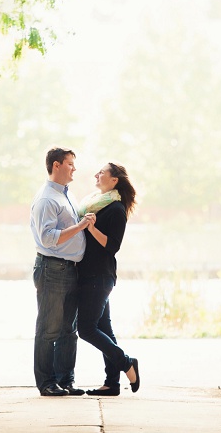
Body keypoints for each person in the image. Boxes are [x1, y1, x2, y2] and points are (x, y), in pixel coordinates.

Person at [29, 147, 95, 397]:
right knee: (49, 329)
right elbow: (47, 238)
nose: (74, 168)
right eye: (70, 164)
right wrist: (79, 226)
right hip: (52, 269)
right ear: (56, 165)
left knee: (68, 330)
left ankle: (65, 381)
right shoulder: (47, 199)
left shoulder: (67, 195)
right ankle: (46, 384)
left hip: (70, 269)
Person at [76, 162, 140, 396]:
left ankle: (126, 363)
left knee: (86, 329)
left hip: (99, 275)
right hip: (90, 274)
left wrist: (91, 228)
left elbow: (112, 246)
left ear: (115, 180)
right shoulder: (96, 203)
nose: (96, 174)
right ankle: (112, 383)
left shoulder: (115, 209)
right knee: (104, 329)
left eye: (102, 172)